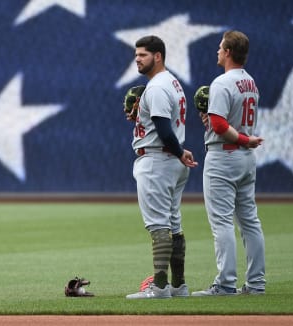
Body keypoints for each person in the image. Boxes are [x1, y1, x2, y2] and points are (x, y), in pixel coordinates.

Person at [192, 30, 266, 296]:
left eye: (221, 47)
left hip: (225, 156)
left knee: (222, 222)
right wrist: (242, 139)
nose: (217, 51)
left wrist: (243, 139)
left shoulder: (222, 83)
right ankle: (256, 284)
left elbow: (220, 124)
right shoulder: (251, 83)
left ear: (229, 53)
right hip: (245, 160)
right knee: (249, 221)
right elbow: (221, 121)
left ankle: (225, 284)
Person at [125, 35, 198, 299]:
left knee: (158, 226)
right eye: (136, 55)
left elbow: (164, 130)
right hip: (170, 161)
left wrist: (179, 153)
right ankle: (179, 286)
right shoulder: (173, 82)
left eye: (143, 55)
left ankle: (159, 287)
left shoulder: (156, 87)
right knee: (174, 225)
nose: (137, 59)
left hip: (158, 159)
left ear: (158, 56)